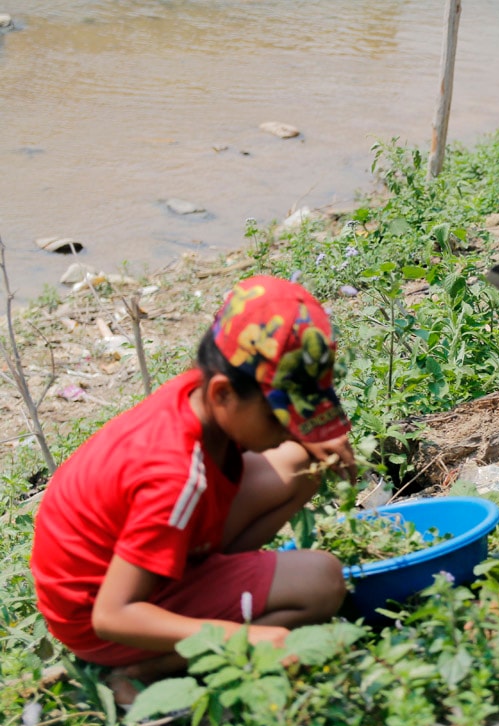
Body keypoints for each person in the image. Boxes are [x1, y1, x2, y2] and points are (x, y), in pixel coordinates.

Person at [31, 275, 356, 703]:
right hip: (99, 615)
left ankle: (209, 585)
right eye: (282, 415)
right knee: (323, 582)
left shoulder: (196, 393)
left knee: (299, 463)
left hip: (126, 567)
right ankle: (139, 673)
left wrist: (305, 435)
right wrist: (244, 638)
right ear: (223, 393)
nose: (292, 428)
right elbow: (111, 616)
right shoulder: (174, 475)